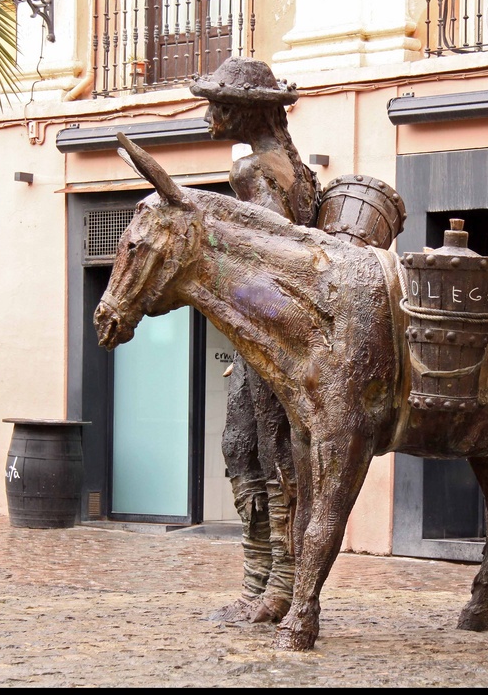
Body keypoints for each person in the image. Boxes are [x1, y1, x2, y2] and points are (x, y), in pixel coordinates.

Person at [190, 57, 321, 623]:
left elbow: (266, 256)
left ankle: (271, 588)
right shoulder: (294, 170)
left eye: (217, 104)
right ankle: (266, 584)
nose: (208, 115)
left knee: (260, 453)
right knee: (262, 453)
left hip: (268, 337)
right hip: (275, 339)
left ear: (245, 110)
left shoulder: (256, 172)